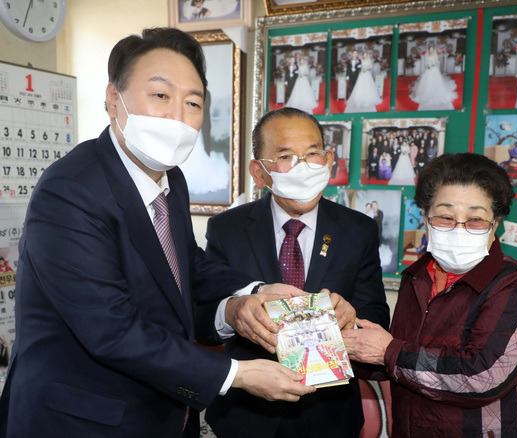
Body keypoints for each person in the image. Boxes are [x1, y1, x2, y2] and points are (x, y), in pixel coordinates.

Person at [0, 28, 319, 438]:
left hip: (162, 414)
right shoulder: (71, 190)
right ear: (114, 100)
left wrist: (256, 290)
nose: (177, 117)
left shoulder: (173, 180)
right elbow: (110, 330)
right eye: (160, 96)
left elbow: (187, 262)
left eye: (193, 102)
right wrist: (235, 374)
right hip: (81, 421)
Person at [197, 106, 390, 438]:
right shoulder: (227, 228)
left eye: (313, 154)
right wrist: (233, 313)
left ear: (328, 159)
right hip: (245, 417)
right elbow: (202, 320)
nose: (303, 167)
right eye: (286, 156)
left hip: (330, 417)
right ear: (259, 172)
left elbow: (375, 316)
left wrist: (349, 318)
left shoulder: (358, 230)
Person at [343, 153, 517, 437]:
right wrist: (345, 342)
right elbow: (405, 363)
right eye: (445, 217)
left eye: (475, 219)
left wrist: (388, 350)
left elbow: (482, 375)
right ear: (426, 218)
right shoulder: (416, 277)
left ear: (496, 224)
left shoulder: (516, 284)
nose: (459, 228)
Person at [409, 45, 457, 111]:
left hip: (434, 68)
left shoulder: (434, 54)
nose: (431, 50)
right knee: (427, 81)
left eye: (432, 49)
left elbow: (437, 61)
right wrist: (427, 65)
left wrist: (433, 65)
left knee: (435, 80)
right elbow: (425, 61)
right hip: (428, 69)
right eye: (430, 49)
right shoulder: (427, 54)